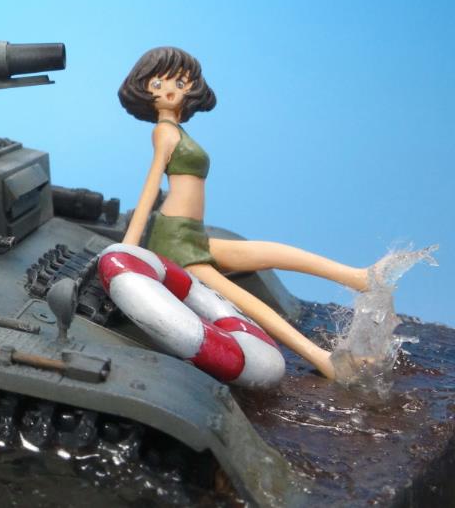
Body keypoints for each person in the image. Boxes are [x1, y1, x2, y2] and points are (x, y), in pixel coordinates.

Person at [118, 46, 381, 380]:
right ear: (142, 89)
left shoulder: (178, 130)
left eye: (179, 82)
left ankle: (357, 277)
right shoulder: (164, 132)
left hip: (190, 233)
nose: (169, 90)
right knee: (243, 301)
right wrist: (128, 249)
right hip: (174, 240)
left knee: (267, 252)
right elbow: (151, 186)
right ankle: (323, 359)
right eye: (157, 84)